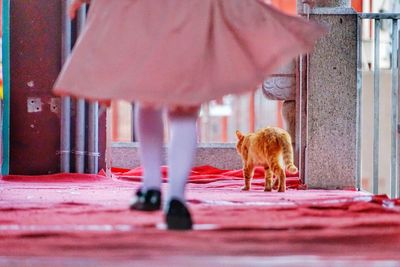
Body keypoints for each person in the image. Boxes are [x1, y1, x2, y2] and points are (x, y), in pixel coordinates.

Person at [54, 0, 326, 230]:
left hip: (147, 11)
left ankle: (150, 189)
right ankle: (175, 198)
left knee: (148, 99)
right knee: (184, 112)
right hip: (190, 12)